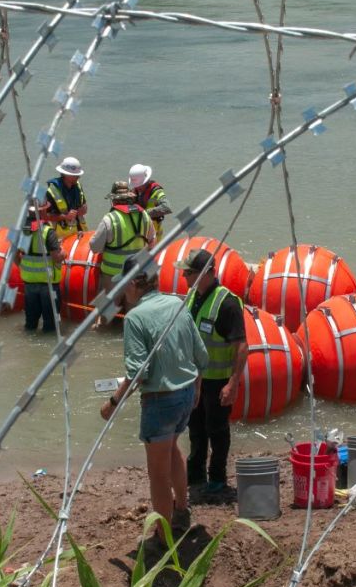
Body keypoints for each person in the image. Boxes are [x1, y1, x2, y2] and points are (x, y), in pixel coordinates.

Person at [99, 259, 207, 548]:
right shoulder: (177, 304)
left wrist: (112, 403)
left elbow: (138, 373)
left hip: (161, 402)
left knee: (157, 474)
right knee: (173, 449)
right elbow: (201, 354)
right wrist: (196, 387)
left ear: (134, 284)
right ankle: (182, 511)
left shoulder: (135, 318)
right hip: (185, 394)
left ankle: (163, 535)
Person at [178, 249, 249, 501]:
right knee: (195, 428)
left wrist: (233, 383)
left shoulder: (227, 303)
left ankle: (217, 478)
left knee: (217, 430)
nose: (184, 276)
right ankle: (196, 474)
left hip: (218, 381)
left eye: (189, 272)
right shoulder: (191, 297)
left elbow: (241, 346)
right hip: (194, 380)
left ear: (207, 273)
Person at [90, 181, 155, 323]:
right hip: (137, 275)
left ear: (114, 199)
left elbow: (95, 247)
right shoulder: (144, 215)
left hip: (113, 275)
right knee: (133, 315)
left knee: (106, 312)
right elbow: (152, 243)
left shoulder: (110, 219)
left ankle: (101, 340)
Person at [18, 204, 64, 333]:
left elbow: (15, 255)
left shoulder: (21, 231)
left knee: (30, 323)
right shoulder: (48, 231)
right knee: (50, 325)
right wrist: (64, 253)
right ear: (43, 211)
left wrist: (24, 268)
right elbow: (56, 257)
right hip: (48, 285)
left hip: (29, 283)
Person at [43, 157, 88, 239]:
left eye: (78, 175)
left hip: (79, 234)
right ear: (65, 175)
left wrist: (81, 211)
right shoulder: (52, 191)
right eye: (75, 175)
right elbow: (45, 216)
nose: (78, 177)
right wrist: (65, 216)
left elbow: (84, 207)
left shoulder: (78, 186)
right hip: (60, 237)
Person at [128, 164, 172, 237]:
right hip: (139, 233)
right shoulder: (135, 191)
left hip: (154, 234)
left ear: (146, 181)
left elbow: (166, 207)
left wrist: (143, 213)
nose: (137, 187)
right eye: (136, 185)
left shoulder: (157, 191)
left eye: (139, 185)